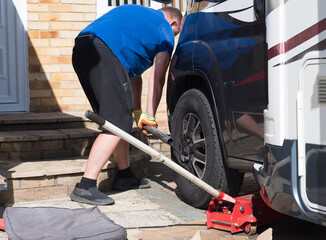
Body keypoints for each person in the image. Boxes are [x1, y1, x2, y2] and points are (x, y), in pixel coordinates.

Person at [70, 5, 182, 205]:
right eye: (177, 31)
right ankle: (85, 186)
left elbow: (134, 77)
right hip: (106, 53)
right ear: (173, 22)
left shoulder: (138, 16)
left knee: (115, 119)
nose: (174, 36)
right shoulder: (164, 30)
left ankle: (125, 175)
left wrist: (138, 111)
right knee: (117, 121)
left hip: (83, 49)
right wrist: (151, 115)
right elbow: (157, 78)